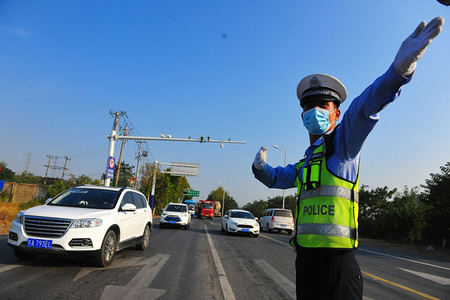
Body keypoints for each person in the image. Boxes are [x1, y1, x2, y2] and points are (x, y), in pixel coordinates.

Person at [252, 17, 444, 300]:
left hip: (338, 266)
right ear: (302, 117)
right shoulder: (307, 161)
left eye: (322, 105)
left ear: (336, 114)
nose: (313, 110)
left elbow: (366, 106)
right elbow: (277, 178)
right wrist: (259, 168)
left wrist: (399, 71)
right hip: (305, 262)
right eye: (308, 107)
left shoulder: (344, 143)